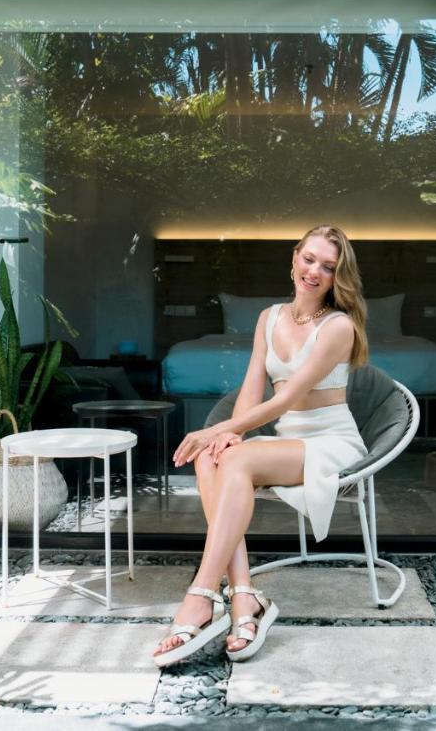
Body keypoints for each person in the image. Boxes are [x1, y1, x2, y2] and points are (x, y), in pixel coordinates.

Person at [152, 224, 370, 667]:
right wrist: (228, 435)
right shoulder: (269, 318)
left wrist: (215, 430)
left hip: (329, 442)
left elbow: (285, 400)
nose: (315, 271)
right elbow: (253, 386)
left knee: (230, 458)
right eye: (309, 259)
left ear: (338, 276)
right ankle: (244, 597)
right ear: (294, 258)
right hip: (288, 441)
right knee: (213, 458)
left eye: (328, 267)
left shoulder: (339, 327)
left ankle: (201, 595)